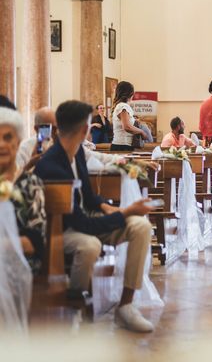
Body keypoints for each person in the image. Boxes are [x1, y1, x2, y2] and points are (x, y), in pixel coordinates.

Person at [34, 100, 156, 333]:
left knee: (141, 227)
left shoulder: (77, 151)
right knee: (89, 245)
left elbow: (89, 196)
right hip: (60, 230)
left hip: (82, 218)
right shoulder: (51, 164)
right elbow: (81, 223)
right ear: (84, 130)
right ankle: (75, 305)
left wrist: (106, 207)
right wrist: (125, 212)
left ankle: (126, 306)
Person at [0, 105, 46, 273]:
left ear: (18, 142)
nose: (1, 144)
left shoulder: (30, 184)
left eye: (7, 137)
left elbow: (34, 242)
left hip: (18, 267)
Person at [16, 107, 57, 172]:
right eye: (48, 128)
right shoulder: (23, 149)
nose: (53, 132)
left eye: (55, 128)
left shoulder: (59, 145)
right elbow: (15, 178)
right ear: (36, 128)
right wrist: (31, 163)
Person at [111, 81, 147, 151]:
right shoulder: (123, 106)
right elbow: (127, 127)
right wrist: (142, 132)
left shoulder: (120, 106)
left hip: (122, 145)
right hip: (122, 146)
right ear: (130, 93)